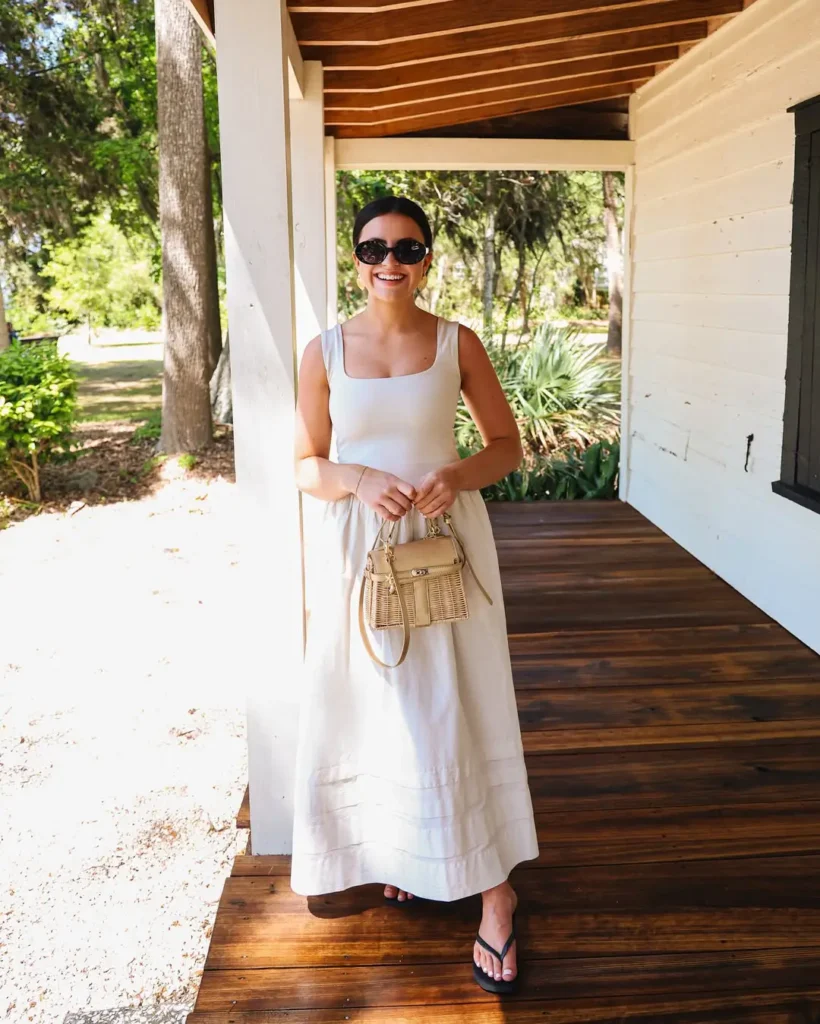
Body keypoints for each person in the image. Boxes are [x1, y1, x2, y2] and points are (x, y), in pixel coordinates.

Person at [292, 195, 539, 994]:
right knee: (382, 704)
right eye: (373, 249)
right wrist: (358, 477)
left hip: (446, 542)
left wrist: (455, 475)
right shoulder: (322, 352)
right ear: (355, 259)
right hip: (364, 549)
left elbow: (507, 447)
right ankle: (408, 849)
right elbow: (306, 465)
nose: (389, 263)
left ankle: (496, 895)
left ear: (428, 257)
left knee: (457, 703)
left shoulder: (456, 343)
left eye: (407, 248)